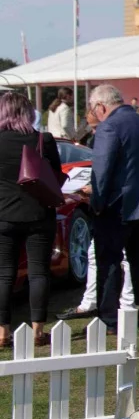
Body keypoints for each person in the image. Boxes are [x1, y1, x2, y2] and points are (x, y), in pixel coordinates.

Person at [82, 84, 139, 329]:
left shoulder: (109, 126)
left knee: (108, 260)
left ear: (100, 106)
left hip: (116, 205)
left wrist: (97, 202)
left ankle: (109, 318)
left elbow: (102, 169)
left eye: (92, 108)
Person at [0, 89, 63, 350]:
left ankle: (2, 332)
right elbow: (56, 175)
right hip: (39, 213)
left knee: (3, 274)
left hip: (3, 215)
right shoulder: (43, 140)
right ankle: (38, 331)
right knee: (39, 272)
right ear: (28, 112)